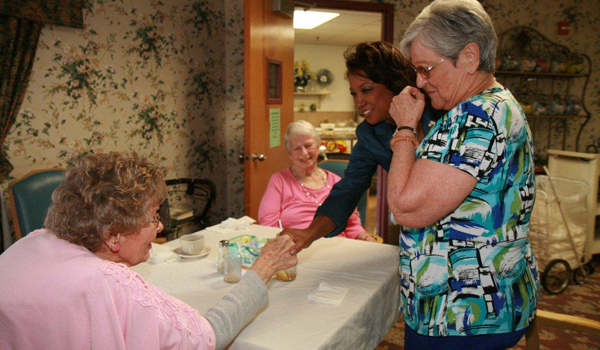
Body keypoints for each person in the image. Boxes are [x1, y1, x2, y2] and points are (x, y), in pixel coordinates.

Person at [0, 152, 297, 350]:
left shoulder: (28, 244)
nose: (159, 228)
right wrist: (263, 269)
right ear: (114, 236)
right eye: (153, 216)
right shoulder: (107, 281)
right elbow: (206, 336)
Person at [387, 0, 539, 348]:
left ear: (469, 56)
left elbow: (405, 208)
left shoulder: (475, 116)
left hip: (460, 316)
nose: (419, 81)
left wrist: (406, 129)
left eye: (426, 68)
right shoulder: (497, 104)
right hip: (491, 303)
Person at [283, 41, 444, 252]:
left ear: (395, 85)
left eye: (366, 90)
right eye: (354, 94)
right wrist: (309, 233)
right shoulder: (371, 136)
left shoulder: (441, 113)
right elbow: (348, 189)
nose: (359, 102)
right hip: (419, 233)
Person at [258, 120, 375, 242]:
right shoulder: (279, 181)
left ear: (318, 147)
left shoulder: (338, 182)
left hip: (336, 248)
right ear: (289, 154)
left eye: (308, 146)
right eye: (297, 148)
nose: (304, 153)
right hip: (295, 247)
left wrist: (368, 238)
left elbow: (352, 226)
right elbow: (268, 225)